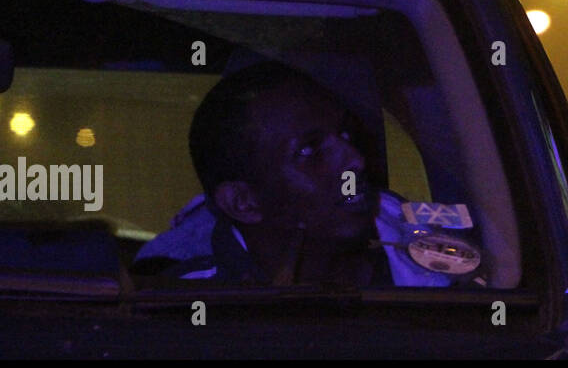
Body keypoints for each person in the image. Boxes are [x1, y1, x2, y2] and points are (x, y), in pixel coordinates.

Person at [142, 61, 456, 287]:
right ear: (243, 202)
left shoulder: (452, 287)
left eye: (346, 134)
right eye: (309, 151)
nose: (356, 160)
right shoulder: (179, 317)